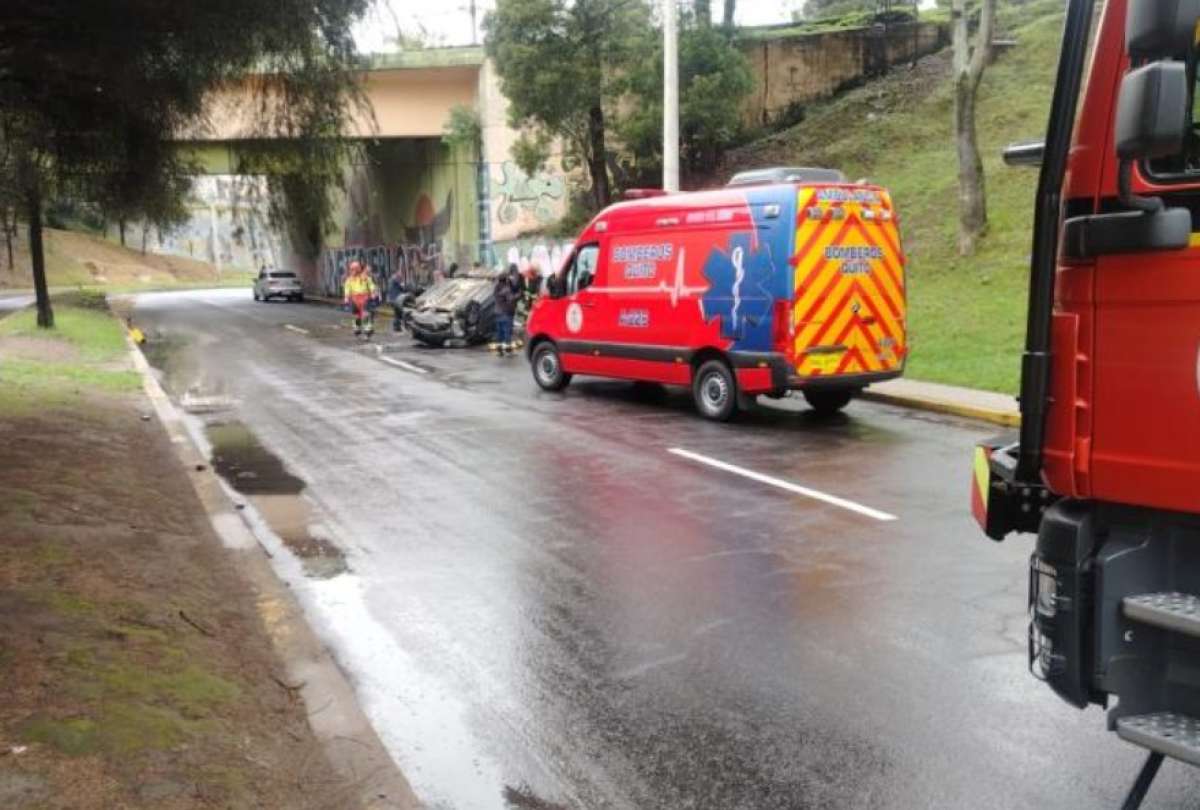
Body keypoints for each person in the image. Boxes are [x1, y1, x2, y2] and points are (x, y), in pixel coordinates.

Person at [342, 260, 379, 338]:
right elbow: (347, 288)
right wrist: (346, 297)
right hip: (354, 299)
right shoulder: (349, 279)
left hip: (365, 298)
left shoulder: (365, 278)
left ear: (358, 269)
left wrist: (373, 293)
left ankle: (367, 328)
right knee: (356, 315)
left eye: (354, 269)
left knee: (366, 314)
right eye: (351, 269)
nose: (353, 271)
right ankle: (357, 328)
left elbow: (371, 285)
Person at [493, 263, 521, 354]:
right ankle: (508, 350)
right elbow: (511, 299)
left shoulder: (496, 288)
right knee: (507, 332)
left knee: (499, 333)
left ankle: (499, 350)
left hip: (498, 313)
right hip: (506, 313)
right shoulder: (506, 289)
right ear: (505, 279)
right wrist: (519, 294)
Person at [387, 267, 408, 332]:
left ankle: (397, 327)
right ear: (396, 273)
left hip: (393, 299)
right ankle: (397, 327)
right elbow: (402, 287)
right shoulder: (396, 279)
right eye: (399, 272)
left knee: (397, 313)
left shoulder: (391, 279)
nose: (400, 273)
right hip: (396, 299)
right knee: (399, 312)